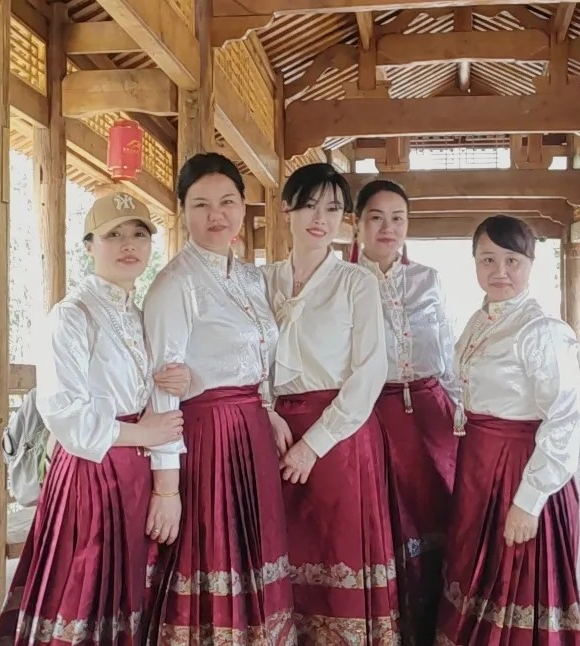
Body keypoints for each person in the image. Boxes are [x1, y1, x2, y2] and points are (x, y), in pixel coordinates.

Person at [0, 193, 189, 645]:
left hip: (134, 472)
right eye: (113, 235)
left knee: (126, 595)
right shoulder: (71, 315)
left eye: (138, 234)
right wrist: (143, 432)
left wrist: (180, 378)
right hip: (90, 473)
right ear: (89, 246)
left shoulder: (139, 316)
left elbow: (151, 388)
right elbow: (64, 411)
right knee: (83, 591)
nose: (128, 244)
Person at [143, 153, 296, 643]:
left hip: (252, 431)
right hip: (207, 437)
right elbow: (162, 391)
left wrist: (267, 409)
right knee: (212, 553)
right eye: (201, 204)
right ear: (183, 211)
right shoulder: (174, 284)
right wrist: (166, 490)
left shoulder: (251, 277)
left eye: (227, 202)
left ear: (243, 206)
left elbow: (258, 357)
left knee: (255, 555)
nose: (217, 215)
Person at [261, 163, 400, 644]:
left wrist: (313, 444)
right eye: (309, 205)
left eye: (333, 209)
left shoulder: (356, 282)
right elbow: (245, 359)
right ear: (287, 209)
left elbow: (370, 372)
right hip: (274, 433)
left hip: (339, 437)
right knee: (279, 553)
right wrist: (265, 411)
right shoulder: (262, 281)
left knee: (336, 553)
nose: (320, 218)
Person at [436, 214, 580, 646]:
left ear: (531, 264)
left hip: (521, 471)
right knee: (474, 580)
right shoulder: (480, 321)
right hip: (479, 470)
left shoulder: (543, 331)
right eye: (488, 259)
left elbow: (563, 419)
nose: (499, 271)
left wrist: (529, 501)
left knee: (514, 588)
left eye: (512, 260)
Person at [351, 178, 461, 646]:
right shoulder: (343, 281)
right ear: (357, 224)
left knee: (442, 519)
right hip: (373, 416)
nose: (388, 228)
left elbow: (448, 352)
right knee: (387, 525)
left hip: (433, 416)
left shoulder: (428, 279)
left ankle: (439, 628)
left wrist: (461, 413)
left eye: (398, 218)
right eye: (376, 217)